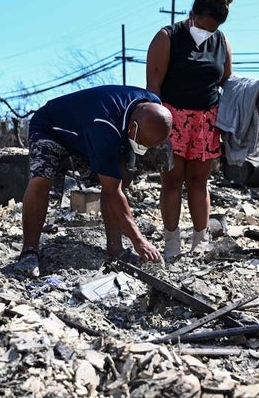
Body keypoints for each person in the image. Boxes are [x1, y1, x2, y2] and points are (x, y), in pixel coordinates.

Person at [14, 85, 173, 277]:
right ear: (132, 127)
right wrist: (140, 241)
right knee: (41, 178)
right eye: (142, 144)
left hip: (87, 131)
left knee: (120, 178)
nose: (143, 149)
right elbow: (112, 191)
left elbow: (115, 184)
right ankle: (29, 251)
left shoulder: (152, 105)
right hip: (51, 128)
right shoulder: (104, 126)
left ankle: (116, 250)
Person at [146, 0, 234, 258]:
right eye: (203, 26)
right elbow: (153, 84)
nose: (206, 33)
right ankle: (171, 240)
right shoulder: (167, 37)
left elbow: (227, 82)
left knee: (199, 181)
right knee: (172, 180)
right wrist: (156, 125)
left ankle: (200, 239)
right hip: (171, 117)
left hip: (206, 121)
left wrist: (258, 91)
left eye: (213, 29)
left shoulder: (222, 42)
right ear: (191, 15)